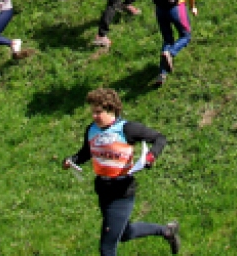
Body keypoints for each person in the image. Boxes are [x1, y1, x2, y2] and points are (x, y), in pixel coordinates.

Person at [62, 88, 181, 256]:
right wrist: (71, 160)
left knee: (107, 247)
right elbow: (86, 153)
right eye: (92, 112)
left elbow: (159, 138)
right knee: (125, 233)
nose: (94, 116)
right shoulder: (91, 130)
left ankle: (167, 232)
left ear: (111, 110)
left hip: (121, 191)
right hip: (103, 190)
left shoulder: (127, 129)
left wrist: (151, 156)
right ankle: (167, 232)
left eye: (98, 112)